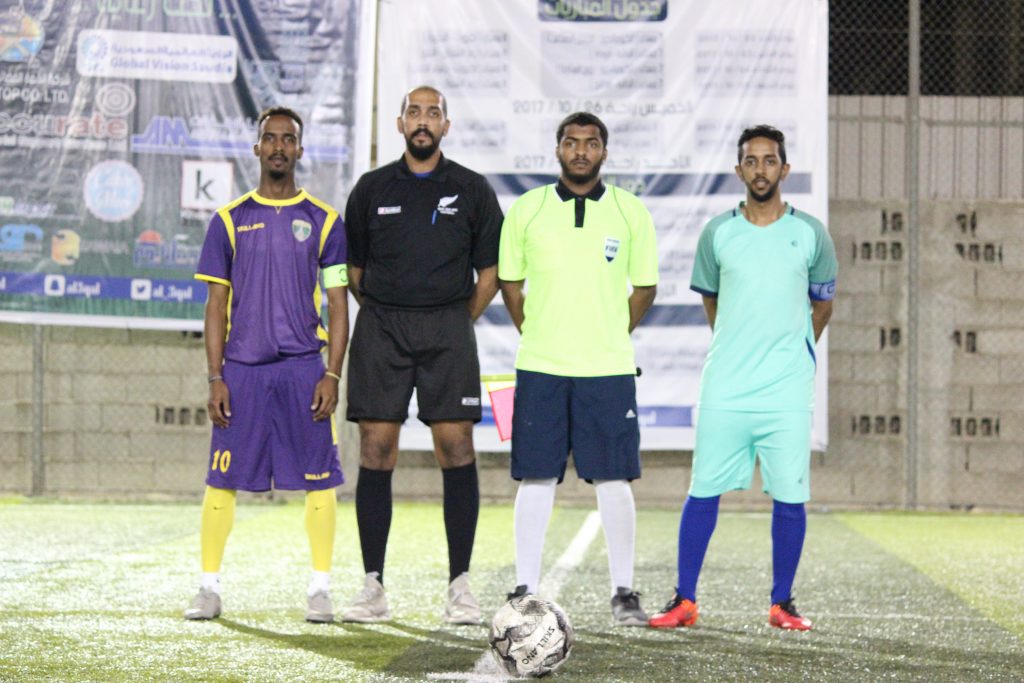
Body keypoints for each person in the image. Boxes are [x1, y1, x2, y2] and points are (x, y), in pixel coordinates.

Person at [649, 125, 837, 631]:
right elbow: (712, 302)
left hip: (786, 391)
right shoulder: (718, 233)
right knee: (703, 490)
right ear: (738, 170)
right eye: (751, 161)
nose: (760, 169)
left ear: (785, 169)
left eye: (769, 160)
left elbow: (823, 305)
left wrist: (795, 350)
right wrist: (738, 345)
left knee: (790, 495)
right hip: (726, 387)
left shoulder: (811, 234)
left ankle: (782, 603)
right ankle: (685, 600)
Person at [340, 85, 503, 624]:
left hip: (447, 330)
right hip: (382, 329)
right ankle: (373, 587)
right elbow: (355, 273)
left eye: (433, 113)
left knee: (456, 447)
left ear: (446, 126)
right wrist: (389, 310)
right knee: (376, 448)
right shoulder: (371, 189)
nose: (423, 121)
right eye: (414, 112)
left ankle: (460, 587)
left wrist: (454, 319)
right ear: (400, 123)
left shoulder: (472, 189)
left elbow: (490, 273)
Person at [184, 106, 349, 623]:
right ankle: (208, 588)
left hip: (304, 370)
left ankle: (320, 589)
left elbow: (339, 304)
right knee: (221, 480)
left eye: (288, 139)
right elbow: (215, 307)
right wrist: (216, 376)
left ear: (300, 149)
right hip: (242, 372)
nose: (279, 146)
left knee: (320, 479)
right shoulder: (228, 221)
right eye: (270, 138)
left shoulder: (324, 220)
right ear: (257, 148)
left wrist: (332, 373)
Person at [498, 112, 658, 626]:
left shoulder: (630, 211)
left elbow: (645, 287)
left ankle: (624, 592)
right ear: (558, 150)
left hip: (608, 368)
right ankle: (525, 588)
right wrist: (538, 332)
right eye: (572, 142)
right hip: (541, 365)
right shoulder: (528, 209)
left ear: (604, 152)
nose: (581, 151)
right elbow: (510, 284)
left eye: (591, 143)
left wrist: (610, 332)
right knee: (536, 474)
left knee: (614, 478)